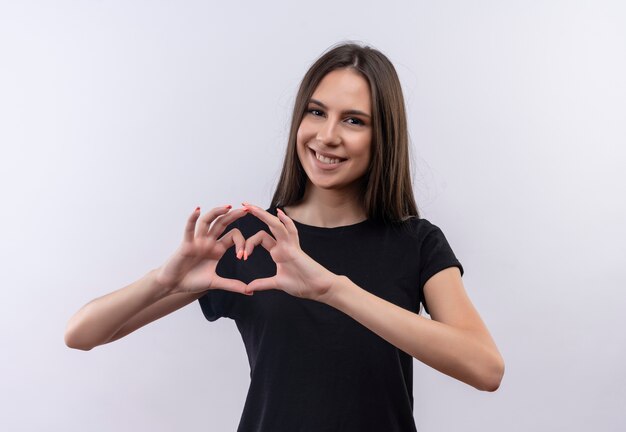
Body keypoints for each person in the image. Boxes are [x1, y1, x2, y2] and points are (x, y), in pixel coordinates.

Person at [65, 42, 504, 431]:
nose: (327, 136)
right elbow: (81, 333)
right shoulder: (253, 240)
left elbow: (485, 368)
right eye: (316, 112)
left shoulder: (416, 242)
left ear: (382, 136)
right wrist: (166, 279)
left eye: (353, 120)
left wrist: (334, 290)